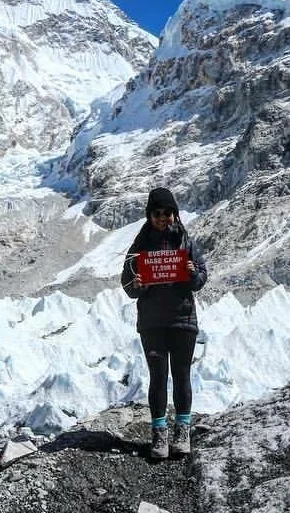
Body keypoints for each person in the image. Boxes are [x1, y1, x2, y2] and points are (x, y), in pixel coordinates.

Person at [121, 187, 208, 459]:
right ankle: (159, 434)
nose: (163, 218)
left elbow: (202, 277)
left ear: (174, 213)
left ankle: (183, 430)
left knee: (181, 375)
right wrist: (137, 285)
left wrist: (193, 275)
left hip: (183, 320)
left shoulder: (186, 242)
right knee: (158, 377)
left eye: (168, 213)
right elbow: (126, 283)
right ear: (149, 215)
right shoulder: (139, 247)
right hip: (152, 323)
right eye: (158, 213)